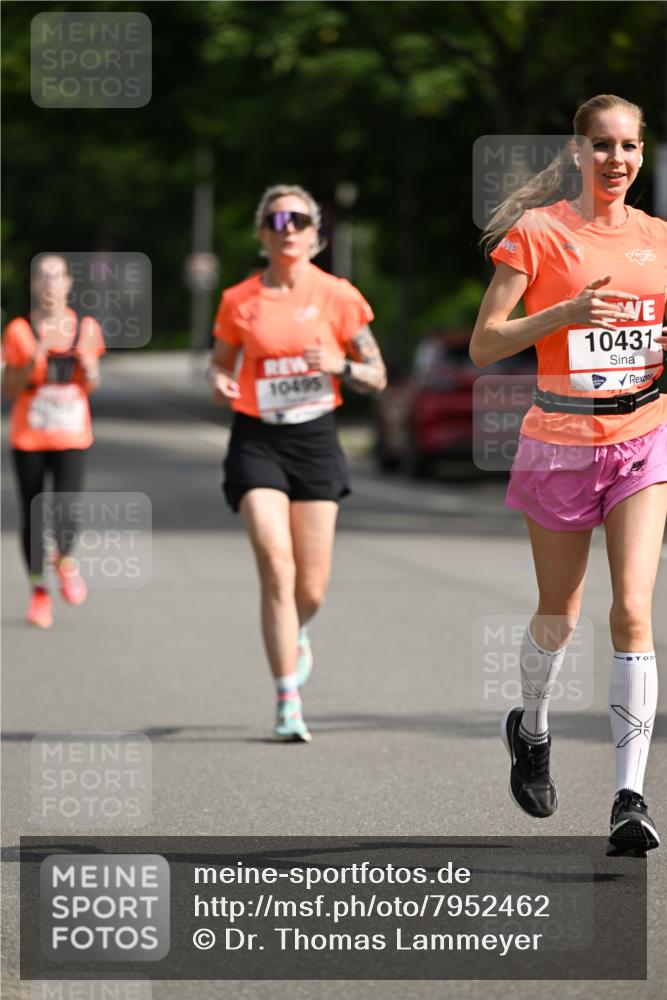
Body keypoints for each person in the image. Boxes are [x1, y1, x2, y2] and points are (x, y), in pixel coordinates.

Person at [470, 94, 667, 852]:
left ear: (641, 154)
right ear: (578, 151)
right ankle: (531, 726)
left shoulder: (659, 239)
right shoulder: (539, 232)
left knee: (634, 611)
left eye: (629, 146)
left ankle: (628, 798)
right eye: (603, 145)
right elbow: (485, 345)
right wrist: (562, 316)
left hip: (641, 434)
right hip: (558, 440)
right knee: (559, 613)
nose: (616, 158)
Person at [208, 184, 387, 742]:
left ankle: (297, 630)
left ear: (316, 234)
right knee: (276, 565)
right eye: (276, 218)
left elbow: (377, 374)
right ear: (263, 234)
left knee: (311, 587)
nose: (288, 227)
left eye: (299, 219)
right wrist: (219, 381)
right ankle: (288, 699)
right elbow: (219, 367)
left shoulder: (339, 296)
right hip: (256, 439)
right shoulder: (240, 300)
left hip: (314, 441)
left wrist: (339, 363)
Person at [2, 254, 105, 628]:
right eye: (42, 277)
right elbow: (8, 389)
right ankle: (38, 591)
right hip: (29, 436)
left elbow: (90, 385)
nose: (49, 283)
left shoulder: (87, 328)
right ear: (34, 285)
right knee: (32, 513)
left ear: (67, 283)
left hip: (72, 433)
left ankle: (64, 560)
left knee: (66, 507)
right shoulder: (19, 331)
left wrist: (91, 371)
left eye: (56, 276)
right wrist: (31, 363)